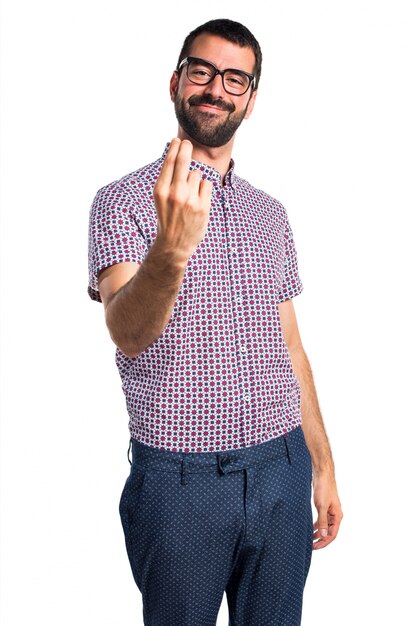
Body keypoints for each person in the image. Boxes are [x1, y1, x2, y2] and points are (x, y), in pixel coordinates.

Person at [87, 18, 343, 626]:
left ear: (250, 100)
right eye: (201, 72)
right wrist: (170, 252)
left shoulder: (269, 214)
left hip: (284, 472)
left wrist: (324, 464)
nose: (215, 89)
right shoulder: (120, 202)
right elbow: (126, 331)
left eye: (234, 79)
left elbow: (292, 351)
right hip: (180, 488)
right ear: (175, 82)